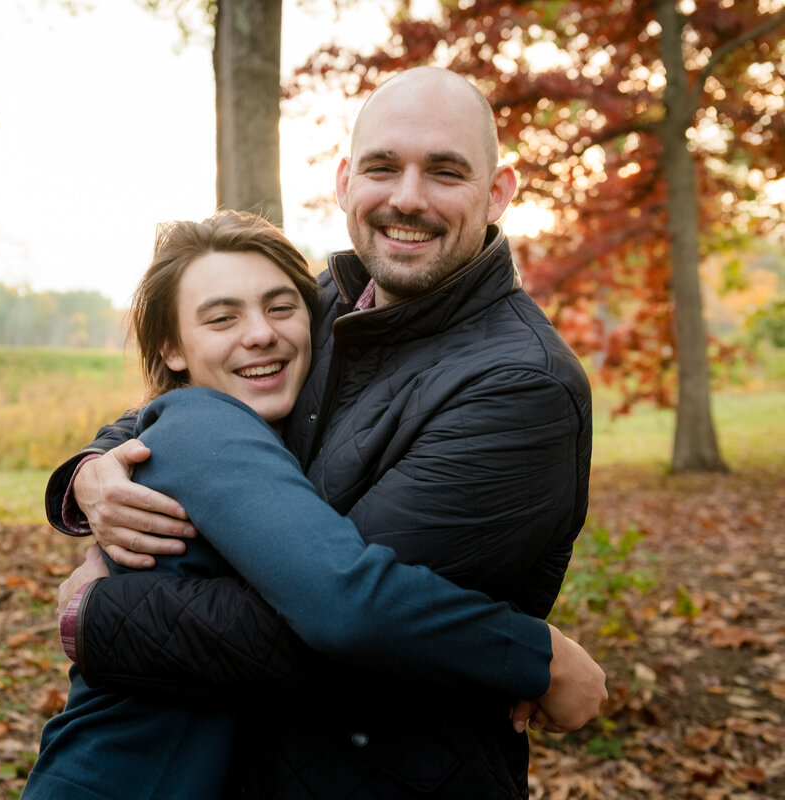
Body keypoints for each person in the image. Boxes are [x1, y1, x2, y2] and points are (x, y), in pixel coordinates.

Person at [45, 66, 601, 798]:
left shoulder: (519, 388)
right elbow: (196, 398)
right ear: (344, 181)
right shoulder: (321, 302)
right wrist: (91, 469)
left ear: (497, 193)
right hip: (228, 763)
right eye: (382, 167)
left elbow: (331, 631)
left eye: (444, 172)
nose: (406, 197)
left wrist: (97, 616)